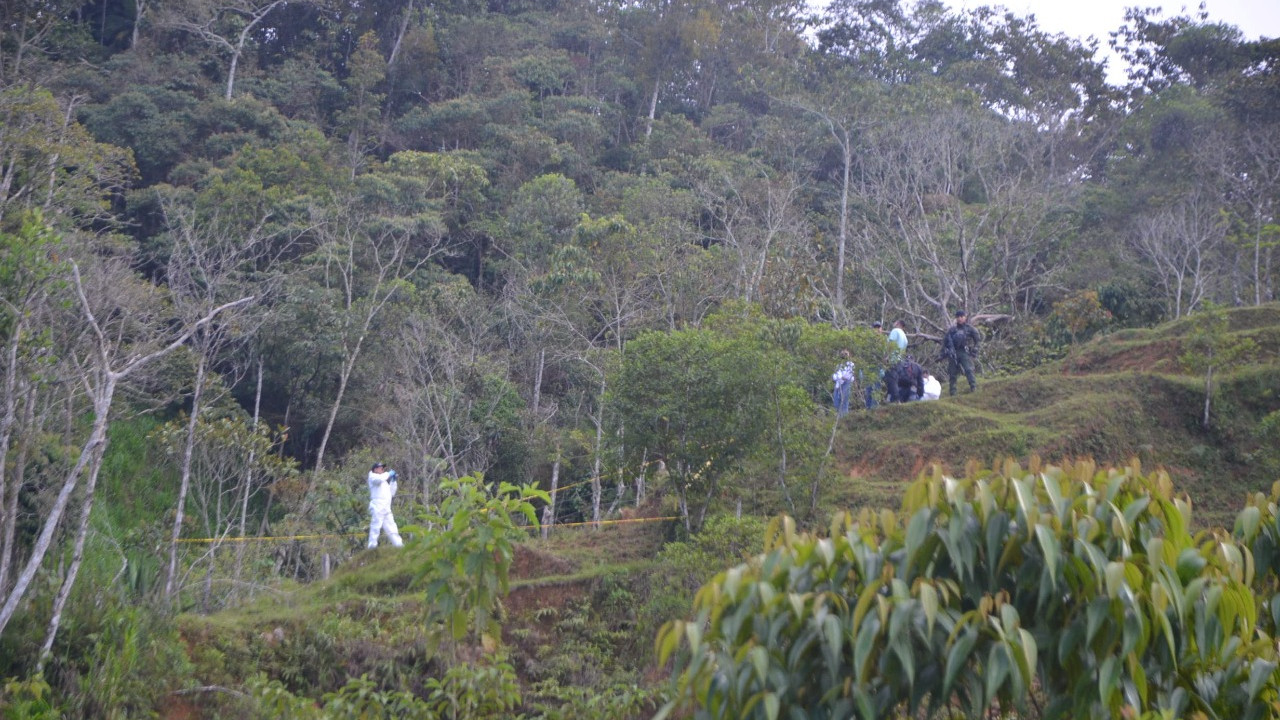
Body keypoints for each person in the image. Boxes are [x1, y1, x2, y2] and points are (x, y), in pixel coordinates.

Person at [943, 309, 981, 396]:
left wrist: (975, 349)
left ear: (965, 317)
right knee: (952, 373)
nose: (960, 319)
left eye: (961, 317)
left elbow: (978, 340)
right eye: (958, 317)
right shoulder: (952, 330)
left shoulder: (969, 328)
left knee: (968, 369)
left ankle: (973, 386)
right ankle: (953, 392)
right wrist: (944, 352)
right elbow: (945, 342)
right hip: (953, 352)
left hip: (964, 351)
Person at [366, 462, 403, 548]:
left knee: (392, 528)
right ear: (375, 469)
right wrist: (388, 474)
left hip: (386, 508)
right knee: (375, 527)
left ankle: (399, 545)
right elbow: (379, 479)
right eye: (380, 468)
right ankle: (372, 547)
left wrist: (393, 481)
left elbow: (391, 493)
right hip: (377, 507)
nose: (382, 469)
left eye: (383, 468)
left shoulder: (384, 482)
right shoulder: (372, 476)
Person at [831, 349, 855, 416]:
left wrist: (843, 378)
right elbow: (834, 375)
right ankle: (838, 417)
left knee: (844, 400)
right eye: (842, 354)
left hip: (846, 383)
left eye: (845, 354)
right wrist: (838, 378)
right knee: (836, 402)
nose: (843, 356)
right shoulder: (838, 365)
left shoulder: (851, 365)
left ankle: (844, 417)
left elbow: (851, 376)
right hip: (838, 384)